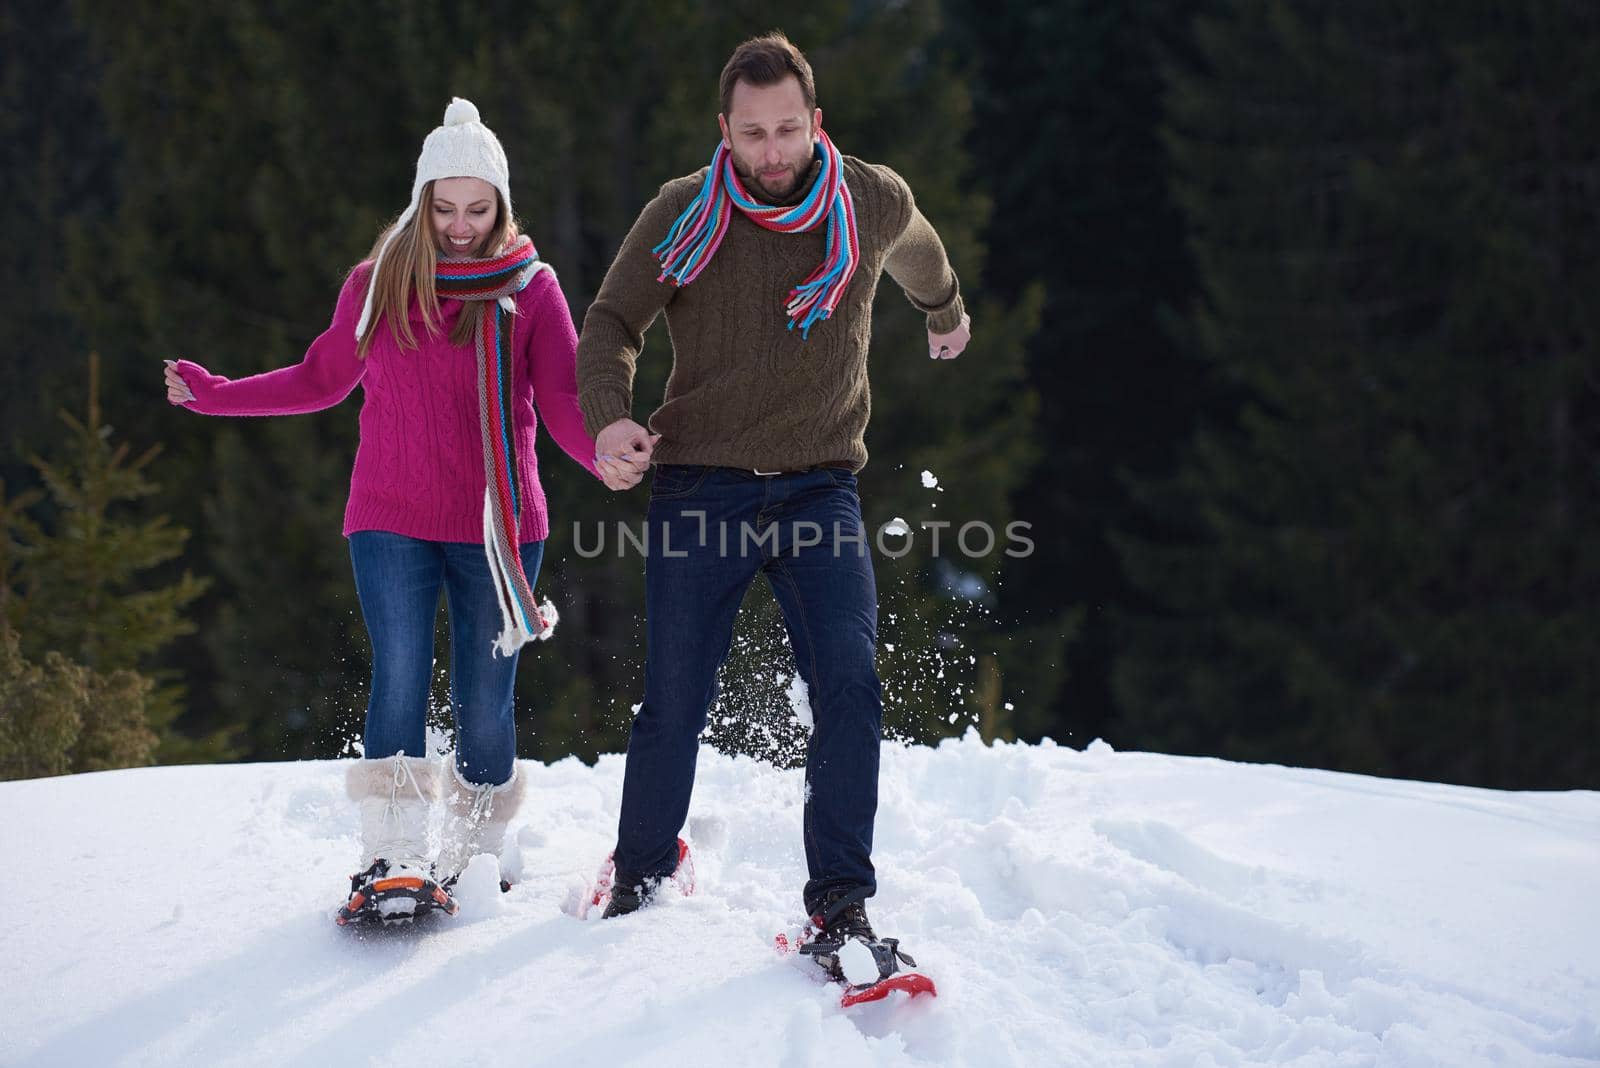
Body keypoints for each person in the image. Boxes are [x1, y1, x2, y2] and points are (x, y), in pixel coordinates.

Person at [164, 99, 643, 924]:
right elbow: (320, 378)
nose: (461, 227)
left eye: (478, 208)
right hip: (389, 514)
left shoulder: (531, 289)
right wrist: (217, 397)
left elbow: (562, 400)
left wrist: (602, 446)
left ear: (501, 205)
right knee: (398, 673)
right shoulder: (378, 281)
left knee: (483, 698)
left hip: (500, 526)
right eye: (445, 208)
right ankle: (392, 851)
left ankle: (480, 844)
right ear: (423, 202)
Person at [576, 33, 972, 974]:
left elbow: (918, 247)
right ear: (726, 130)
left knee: (850, 682)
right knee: (675, 697)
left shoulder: (867, 200)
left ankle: (840, 906)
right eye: (752, 134)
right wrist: (608, 421)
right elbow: (611, 324)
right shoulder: (682, 215)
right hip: (700, 483)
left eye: (788, 129)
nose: (773, 151)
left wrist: (946, 309)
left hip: (818, 486)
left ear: (815, 121)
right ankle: (638, 874)